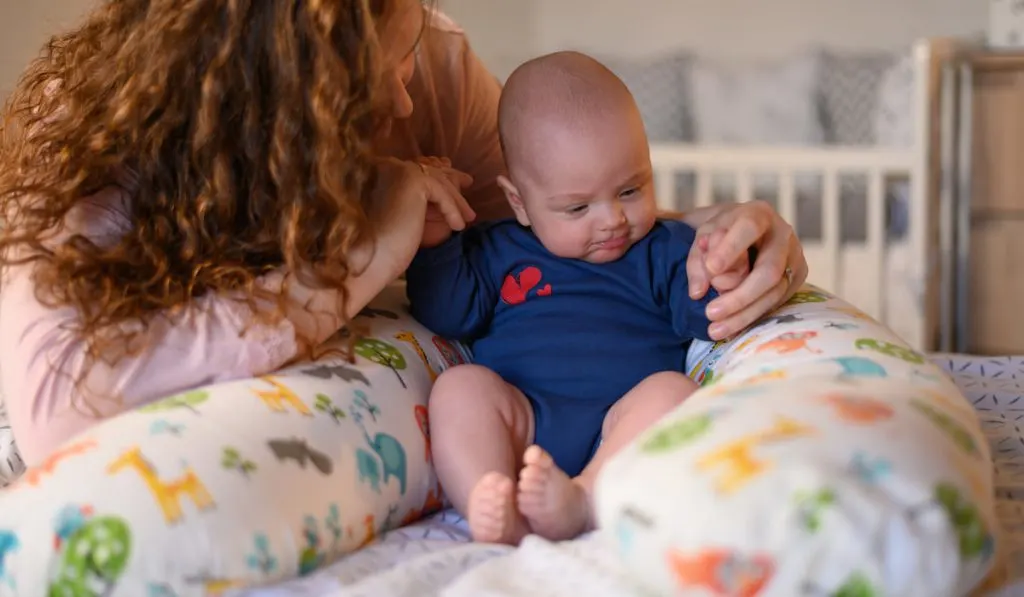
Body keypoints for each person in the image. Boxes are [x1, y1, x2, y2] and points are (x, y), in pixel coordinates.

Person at [0, 0, 806, 468]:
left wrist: (730, 233)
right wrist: (367, 248)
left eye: (407, 51)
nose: (407, 100)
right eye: (365, 80)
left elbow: (571, 220)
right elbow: (53, 409)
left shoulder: (436, 68)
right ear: (268, 91)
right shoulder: (99, 135)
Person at [406, 51, 751, 545]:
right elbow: (447, 313)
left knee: (673, 394)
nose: (611, 219)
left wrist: (723, 268)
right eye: (578, 206)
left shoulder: (662, 247)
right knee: (460, 388)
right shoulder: (495, 249)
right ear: (519, 202)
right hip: (521, 417)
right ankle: (490, 494)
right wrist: (436, 243)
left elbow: (705, 314)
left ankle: (586, 497)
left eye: (631, 190)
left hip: (623, 422)